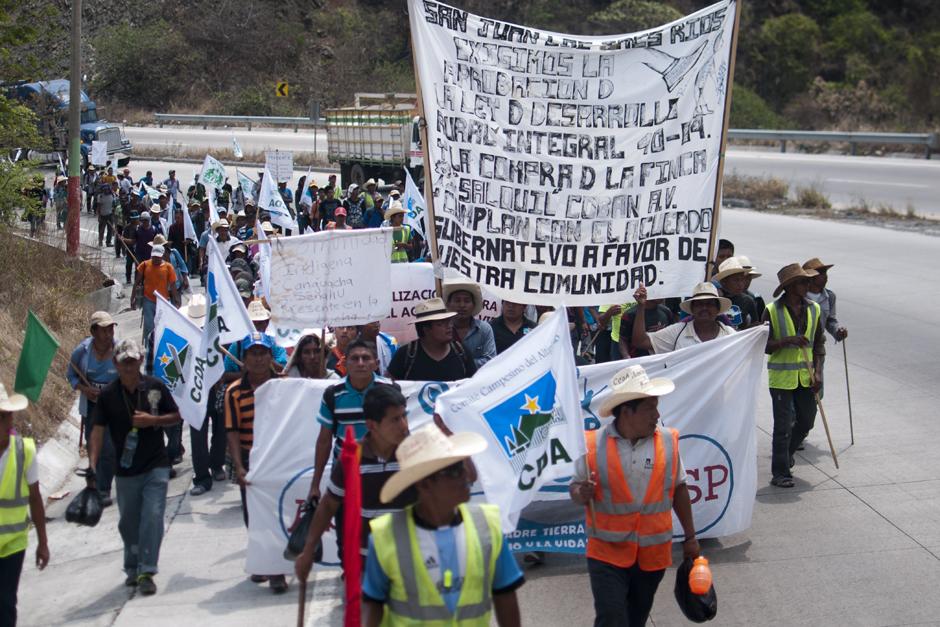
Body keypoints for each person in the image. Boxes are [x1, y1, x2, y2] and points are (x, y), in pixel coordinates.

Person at [569, 365, 699, 627]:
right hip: (606, 552)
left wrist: (691, 538)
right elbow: (575, 488)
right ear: (627, 411)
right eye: (650, 407)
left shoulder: (667, 441)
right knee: (612, 618)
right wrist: (580, 493)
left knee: (635, 619)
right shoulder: (591, 445)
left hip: (651, 556)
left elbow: (679, 489)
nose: (657, 414)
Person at [363, 424, 523, 627]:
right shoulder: (385, 536)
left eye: (462, 464)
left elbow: (505, 593)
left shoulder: (487, 524)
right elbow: (373, 602)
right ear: (424, 484)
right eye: (454, 471)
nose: (466, 475)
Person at [87, 339, 180, 596]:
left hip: (156, 465)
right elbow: (97, 430)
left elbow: (176, 416)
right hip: (125, 469)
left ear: (140, 360)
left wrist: (154, 420)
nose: (129, 366)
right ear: (116, 364)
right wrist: (92, 463)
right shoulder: (108, 396)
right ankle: (132, 567)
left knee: (152, 517)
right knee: (128, 523)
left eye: (133, 361)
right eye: (124, 362)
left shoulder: (155, 387)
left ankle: (147, 570)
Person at [295, 385, 414, 581]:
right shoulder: (352, 458)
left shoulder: (416, 453)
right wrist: (308, 551)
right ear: (371, 425)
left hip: (413, 559)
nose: (404, 425)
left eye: (404, 416)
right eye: (395, 419)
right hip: (369, 562)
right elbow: (328, 505)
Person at [224, 332, 289, 593]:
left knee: (277, 515)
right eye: (254, 353)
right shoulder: (234, 393)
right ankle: (263, 561)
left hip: (278, 460)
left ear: (271, 358)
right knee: (254, 516)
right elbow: (232, 430)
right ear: (245, 359)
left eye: (263, 353)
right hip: (251, 460)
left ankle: (276, 570)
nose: (259, 359)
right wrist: (238, 466)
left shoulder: (284, 386)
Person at [310, 339, 396, 505]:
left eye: (366, 358)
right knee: (348, 527)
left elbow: (401, 434)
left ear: (376, 363)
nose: (360, 363)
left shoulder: (390, 391)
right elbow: (324, 441)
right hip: (344, 474)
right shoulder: (332, 394)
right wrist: (315, 484)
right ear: (345, 363)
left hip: (383, 474)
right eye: (355, 359)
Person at [762, 263, 825, 488]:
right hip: (781, 379)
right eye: (802, 281)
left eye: (807, 281)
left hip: (806, 377)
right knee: (782, 426)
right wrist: (787, 340)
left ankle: (787, 454)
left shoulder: (814, 309)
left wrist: (818, 372)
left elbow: (819, 344)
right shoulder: (771, 310)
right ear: (789, 286)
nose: (807, 284)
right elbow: (764, 346)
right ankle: (780, 473)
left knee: (806, 421)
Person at [0, 384, 49, 625]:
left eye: (6, 415)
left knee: (6, 602)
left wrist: (43, 542)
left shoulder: (24, 450)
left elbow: (35, 498)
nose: (5, 421)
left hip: (13, 544)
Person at [66, 311, 120, 506]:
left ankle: (103, 488)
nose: (109, 334)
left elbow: (130, 376)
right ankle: (96, 482)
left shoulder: (119, 350)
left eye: (111, 329)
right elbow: (71, 376)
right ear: (93, 331)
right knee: (94, 445)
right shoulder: (81, 352)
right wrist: (84, 389)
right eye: (104, 330)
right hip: (92, 406)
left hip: (114, 405)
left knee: (110, 448)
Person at [386, 298, 477, 381]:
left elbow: (474, 384)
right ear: (426, 329)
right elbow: (388, 388)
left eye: (449, 322)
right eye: (441, 324)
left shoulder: (461, 352)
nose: (449, 327)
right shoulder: (406, 354)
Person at [631, 282, 735, 354]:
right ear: (692, 309)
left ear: (718, 309)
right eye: (699, 304)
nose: (704, 308)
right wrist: (641, 307)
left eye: (710, 304)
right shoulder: (677, 332)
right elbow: (640, 341)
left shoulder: (730, 335)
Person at [803, 257, 848, 399]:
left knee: (816, 388)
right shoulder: (798, 296)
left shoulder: (829, 296)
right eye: (821, 274)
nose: (825, 277)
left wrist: (838, 331)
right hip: (800, 345)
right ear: (810, 277)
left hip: (817, 347)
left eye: (825, 273)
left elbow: (830, 320)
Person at [443, 279, 497, 368]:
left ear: (474, 305)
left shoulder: (484, 329)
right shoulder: (442, 330)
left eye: (467, 301)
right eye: (457, 300)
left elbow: (490, 361)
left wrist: (460, 364)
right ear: (448, 304)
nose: (462, 305)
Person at [132, 245, 179, 342]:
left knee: (164, 325)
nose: (156, 258)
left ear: (162, 255)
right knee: (149, 326)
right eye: (154, 256)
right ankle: (148, 346)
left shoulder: (168, 267)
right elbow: (136, 283)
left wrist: (176, 300)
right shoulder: (144, 265)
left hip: (163, 301)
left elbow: (173, 285)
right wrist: (132, 298)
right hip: (148, 300)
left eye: (158, 256)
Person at [714, 257, 759, 329]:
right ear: (724, 281)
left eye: (743, 279)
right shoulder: (714, 300)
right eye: (736, 280)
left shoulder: (748, 301)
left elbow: (754, 327)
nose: (741, 284)